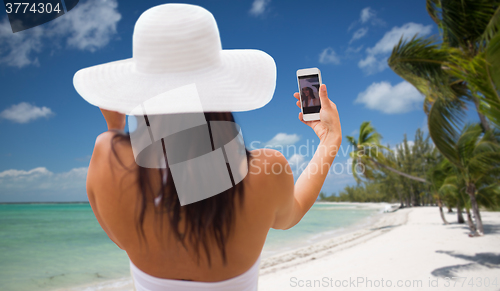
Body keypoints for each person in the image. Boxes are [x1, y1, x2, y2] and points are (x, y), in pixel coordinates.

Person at [73, 3, 341, 291]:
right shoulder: (266, 171)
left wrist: (115, 129)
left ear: (142, 91)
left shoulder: (107, 157)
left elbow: (119, 235)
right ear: (218, 86)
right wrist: (330, 140)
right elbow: (294, 211)